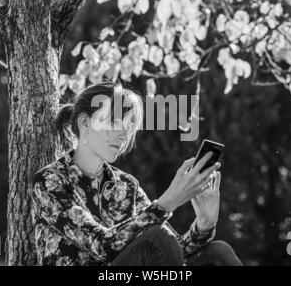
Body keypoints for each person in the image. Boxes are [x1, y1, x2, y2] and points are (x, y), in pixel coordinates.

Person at [31, 81, 243, 266]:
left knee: (218, 252)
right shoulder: (50, 182)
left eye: (129, 125)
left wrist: (204, 225)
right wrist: (165, 204)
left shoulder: (126, 185)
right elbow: (102, 245)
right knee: (155, 237)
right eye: (114, 122)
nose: (123, 134)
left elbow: (170, 252)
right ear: (85, 123)